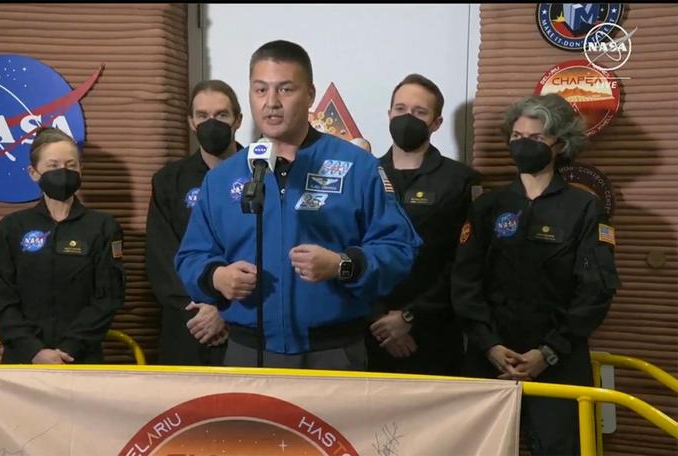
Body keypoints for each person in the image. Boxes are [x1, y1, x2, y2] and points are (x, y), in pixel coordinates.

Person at [175, 40, 422, 370]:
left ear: (310, 94)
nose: (271, 103)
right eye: (260, 90)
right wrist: (217, 277)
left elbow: (399, 248)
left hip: (334, 350)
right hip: (246, 350)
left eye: (285, 90)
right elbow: (191, 256)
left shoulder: (357, 167)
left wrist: (342, 265)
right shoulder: (223, 178)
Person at [452, 94, 620, 455]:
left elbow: (596, 290)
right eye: (516, 137)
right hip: (489, 360)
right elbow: (465, 283)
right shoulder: (487, 207)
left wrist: (548, 352)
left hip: (559, 361)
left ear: (559, 144)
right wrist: (489, 345)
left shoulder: (584, 208)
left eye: (535, 139)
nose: (523, 145)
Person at [367, 74, 480, 376]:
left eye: (419, 112)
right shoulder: (363, 176)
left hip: (434, 335)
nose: (407, 118)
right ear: (389, 114)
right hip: (370, 333)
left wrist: (409, 317)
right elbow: (348, 249)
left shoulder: (460, 181)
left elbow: (465, 263)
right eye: (400, 109)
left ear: (437, 122)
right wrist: (378, 319)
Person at [0, 127, 126, 364]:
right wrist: (34, 351)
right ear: (33, 172)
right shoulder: (11, 228)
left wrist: (69, 348)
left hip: (81, 359)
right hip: (24, 360)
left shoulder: (103, 227)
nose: (63, 172)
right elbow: (2, 298)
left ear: (81, 169)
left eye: (71, 165)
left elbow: (108, 298)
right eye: (53, 166)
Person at [146, 80, 243, 366]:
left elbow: (270, 251)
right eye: (202, 116)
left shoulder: (265, 174)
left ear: (238, 120)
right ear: (191, 122)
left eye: (222, 115)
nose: (211, 123)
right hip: (189, 323)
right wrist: (202, 309)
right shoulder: (168, 181)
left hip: (246, 327)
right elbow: (161, 256)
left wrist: (225, 311)